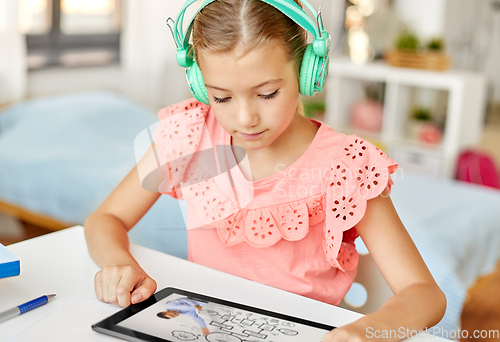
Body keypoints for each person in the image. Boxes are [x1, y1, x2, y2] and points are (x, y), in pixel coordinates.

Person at [84, 0, 446, 341]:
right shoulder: (189, 135)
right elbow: (106, 217)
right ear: (199, 84)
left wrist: (366, 331)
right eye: (221, 97)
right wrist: (119, 264)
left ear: (307, 71)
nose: (245, 119)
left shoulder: (347, 165)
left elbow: (425, 294)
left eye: (268, 93)